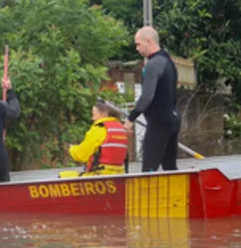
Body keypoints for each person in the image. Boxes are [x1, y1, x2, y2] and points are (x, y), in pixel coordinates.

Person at [124, 26, 180, 172]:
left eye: (138, 44)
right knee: (170, 168)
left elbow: (147, 96)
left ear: (149, 41)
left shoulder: (153, 65)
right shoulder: (168, 62)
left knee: (148, 171)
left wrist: (130, 119)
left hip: (159, 123)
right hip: (173, 119)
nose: (137, 48)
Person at [59, 101, 129, 178]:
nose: (92, 118)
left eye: (94, 115)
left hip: (99, 175)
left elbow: (81, 155)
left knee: (63, 175)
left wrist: (72, 148)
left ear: (103, 114)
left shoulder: (99, 128)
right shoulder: (121, 129)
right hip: (120, 175)